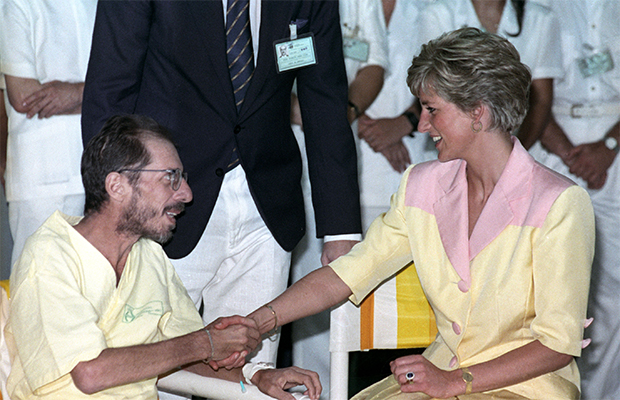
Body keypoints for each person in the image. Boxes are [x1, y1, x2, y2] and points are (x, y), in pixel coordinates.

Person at [244, 28, 595, 399]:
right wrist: (257, 321)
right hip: (438, 378)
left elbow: (558, 345)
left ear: (478, 112)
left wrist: (455, 382)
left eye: (432, 110)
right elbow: (346, 275)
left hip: (528, 389)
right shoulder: (421, 185)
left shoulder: (559, 203)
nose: (423, 125)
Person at [81, 0, 362, 369]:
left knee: (248, 370)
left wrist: (341, 230)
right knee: (155, 367)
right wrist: (113, 210)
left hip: (267, 205)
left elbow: (325, 98)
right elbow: (110, 88)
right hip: (164, 204)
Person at [4, 114, 321, 400]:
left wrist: (257, 375)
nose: (187, 194)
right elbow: (90, 373)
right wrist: (206, 342)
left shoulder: (149, 256)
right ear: (117, 186)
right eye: (171, 178)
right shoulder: (49, 256)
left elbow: (188, 356)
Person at [289, 0, 387, 396]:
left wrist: (338, 111)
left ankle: (330, 391)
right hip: (281, 144)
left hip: (333, 149)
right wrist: (295, 107)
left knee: (333, 275)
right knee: (297, 283)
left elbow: (374, 64)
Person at [526, 2, 620, 398]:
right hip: (553, 146)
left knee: (614, 287)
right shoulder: (539, 5)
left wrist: (609, 145)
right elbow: (532, 95)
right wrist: (568, 154)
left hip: (615, 146)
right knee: (548, 287)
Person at [0, 0, 95, 266]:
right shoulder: (16, 4)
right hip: (41, 175)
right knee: (38, 285)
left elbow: (131, 81)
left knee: (100, 287)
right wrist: (99, 94)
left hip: (104, 170)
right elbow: (24, 97)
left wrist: (74, 93)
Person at [417, 0, 562, 151]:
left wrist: (511, 156)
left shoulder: (540, 19)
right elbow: (433, 95)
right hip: (453, 149)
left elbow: (541, 101)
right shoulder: (438, 15)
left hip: (519, 143)